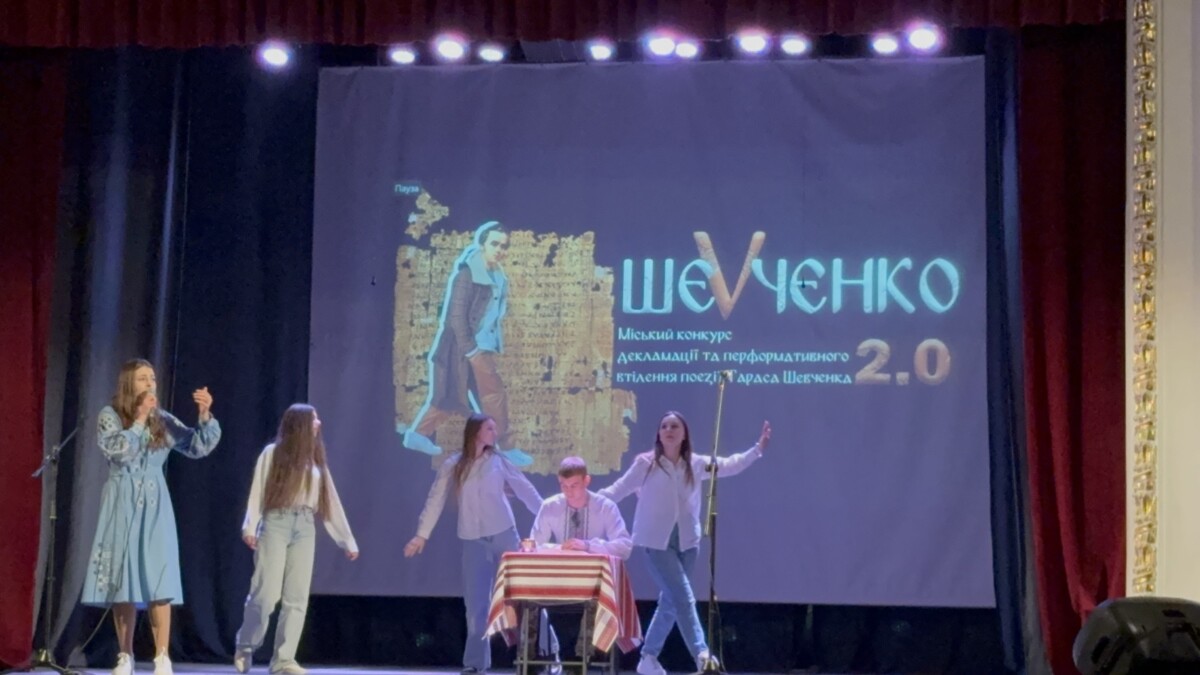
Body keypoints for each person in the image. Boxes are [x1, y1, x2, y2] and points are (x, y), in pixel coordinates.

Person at [599, 412, 770, 675]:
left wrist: (757, 450)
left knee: (671, 601)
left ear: (684, 434)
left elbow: (728, 465)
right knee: (684, 597)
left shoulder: (695, 463)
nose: (669, 429)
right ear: (659, 434)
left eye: (674, 426)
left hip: (688, 542)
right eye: (664, 426)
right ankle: (702, 655)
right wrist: (587, 500)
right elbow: (617, 490)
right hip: (656, 542)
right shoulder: (646, 464)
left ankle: (648, 658)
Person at [81, 359, 221, 675]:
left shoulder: (163, 419)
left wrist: (204, 416)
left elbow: (197, 446)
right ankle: (125, 654)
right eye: (144, 378)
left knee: (161, 578)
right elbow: (117, 451)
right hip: (122, 500)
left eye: (153, 378)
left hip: (156, 504)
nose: (151, 383)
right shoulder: (110, 415)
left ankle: (162, 655)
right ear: (129, 383)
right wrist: (140, 420)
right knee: (124, 581)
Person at [404, 413, 543, 675]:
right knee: (476, 605)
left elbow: (526, 490)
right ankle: (476, 663)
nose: (494, 432)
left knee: (521, 597)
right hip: (473, 541)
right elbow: (435, 499)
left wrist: (549, 520)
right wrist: (421, 535)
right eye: (490, 428)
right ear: (476, 431)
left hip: (504, 536)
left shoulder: (499, 461)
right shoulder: (454, 464)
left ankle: (542, 654)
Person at [234, 404, 359, 675]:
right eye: (314, 419)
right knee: (266, 594)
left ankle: (283, 660)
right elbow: (258, 490)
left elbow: (330, 501)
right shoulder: (272, 453)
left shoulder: (316, 460)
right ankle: (246, 644)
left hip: (304, 526)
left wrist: (346, 540)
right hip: (276, 522)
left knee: (297, 597)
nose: (319, 423)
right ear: (300, 424)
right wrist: (250, 526)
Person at [400, 221, 531, 466]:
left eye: (504, 246)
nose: (499, 250)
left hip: (480, 346)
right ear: (482, 244)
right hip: (465, 348)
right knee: (491, 396)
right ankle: (507, 447)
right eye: (494, 244)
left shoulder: (497, 275)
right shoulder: (468, 274)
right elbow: (456, 317)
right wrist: (471, 350)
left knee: (454, 397)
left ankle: (417, 435)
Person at [530, 457, 633, 662]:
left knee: (596, 601)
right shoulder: (550, 506)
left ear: (587, 481)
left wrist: (587, 546)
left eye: (574, 485)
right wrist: (558, 548)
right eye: (564, 486)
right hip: (557, 584)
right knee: (531, 598)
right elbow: (534, 545)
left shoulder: (605, 506)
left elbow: (625, 547)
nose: (569, 491)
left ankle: (579, 659)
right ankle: (536, 660)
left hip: (593, 587)